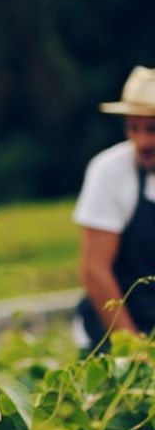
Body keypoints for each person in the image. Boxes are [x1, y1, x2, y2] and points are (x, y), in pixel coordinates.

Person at [73, 66, 155, 352]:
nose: (143, 141)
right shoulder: (110, 171)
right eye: (134, 128)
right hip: (116, 331)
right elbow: (94, 270)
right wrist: (135, 349)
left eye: (152, 129)